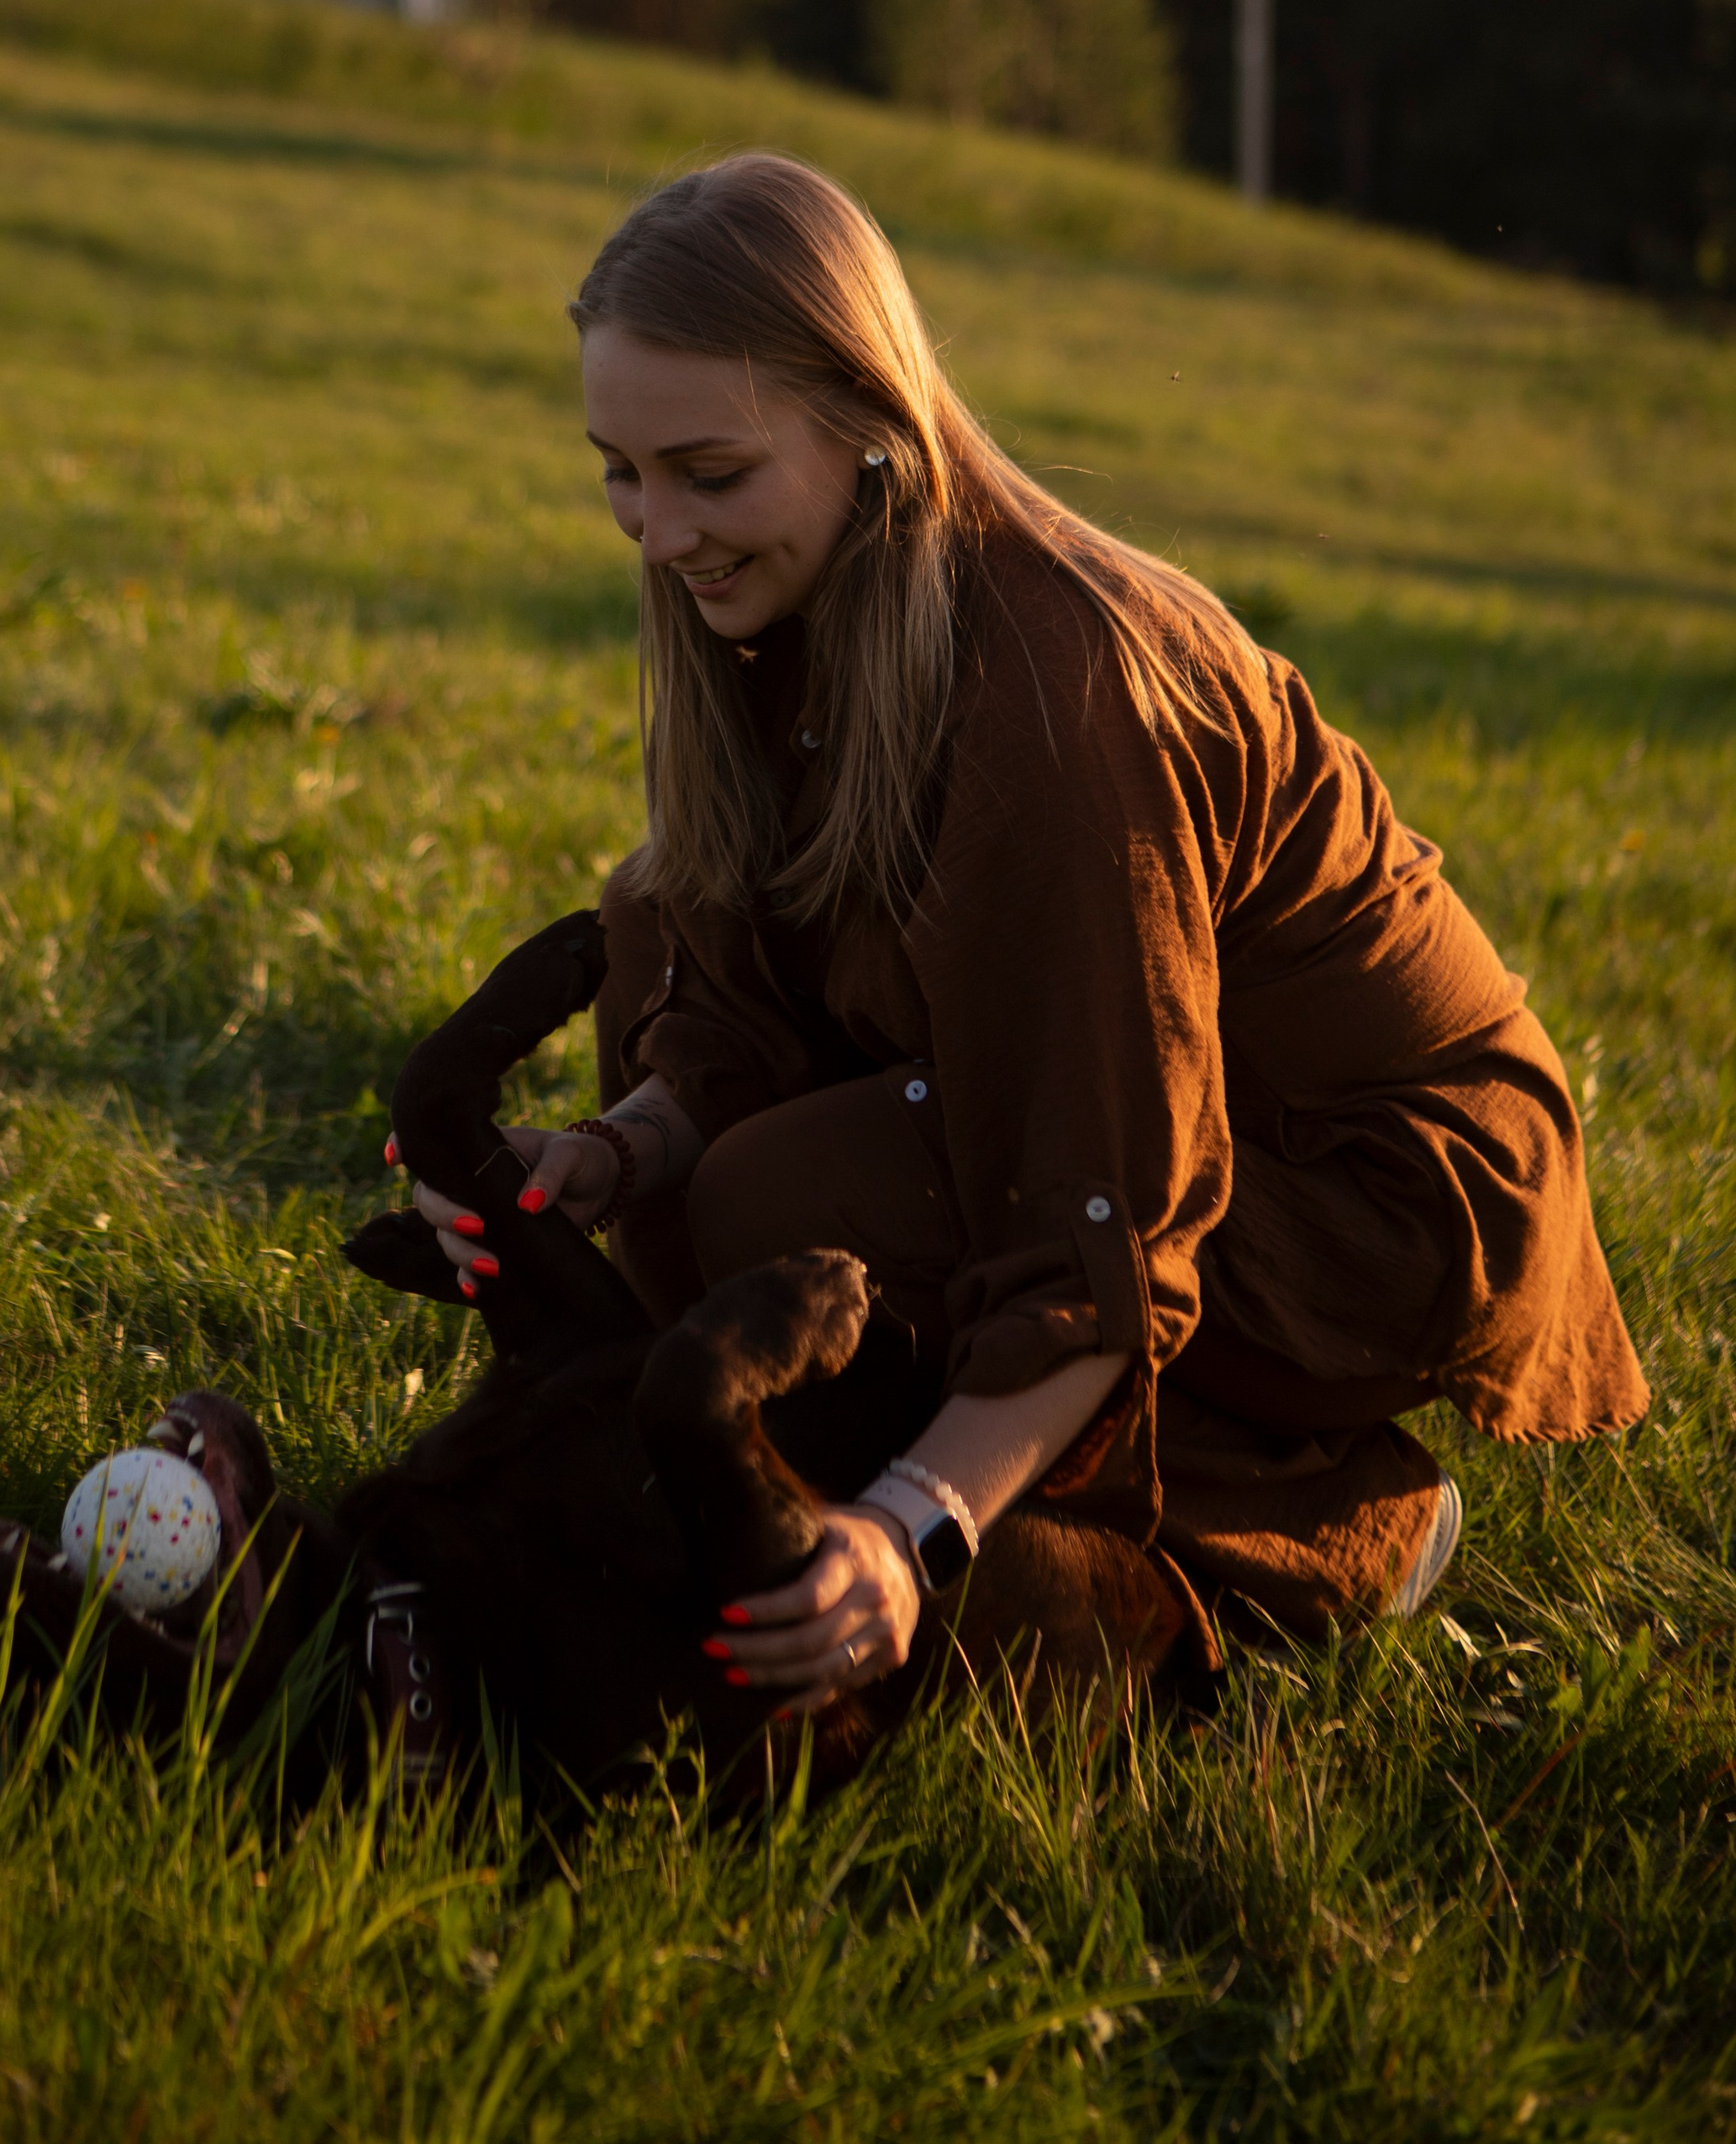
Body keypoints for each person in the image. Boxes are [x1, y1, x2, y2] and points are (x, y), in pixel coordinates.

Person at [409, 153, 1646, 1715]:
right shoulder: (761, 605)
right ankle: (983, 1440)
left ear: (868, 423)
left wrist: (909, 1528)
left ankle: (1328, 1522)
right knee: (661, 982)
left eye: (710, 475)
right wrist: (612, 1152)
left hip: (1380, 1191)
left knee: (780, 1202)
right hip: (1156, 1119)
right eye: (620, 471)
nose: (657, 532)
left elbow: (1106, 1193)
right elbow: (737, 991)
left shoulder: (1053, 702)